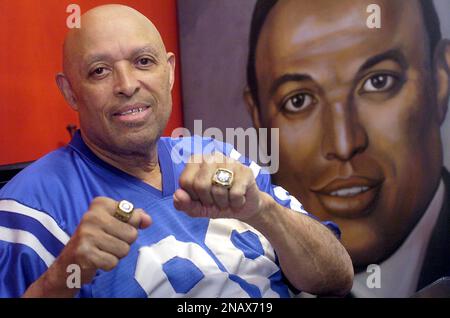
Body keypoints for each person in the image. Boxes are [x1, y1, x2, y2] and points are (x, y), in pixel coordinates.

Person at [0, 4, 353, 298]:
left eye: (143, 62)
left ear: (168, 73)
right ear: (71, 91)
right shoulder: (28, 211)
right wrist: (63, 275)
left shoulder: (220, 158)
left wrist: (263, 211)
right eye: (99, 71)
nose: (126, 85)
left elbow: (336, 278)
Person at [244, 0, 450, 297]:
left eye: (379, 82)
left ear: (441, 80)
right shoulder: (238, 269)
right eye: (298, 101)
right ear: (257, 118)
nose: (343, 144)